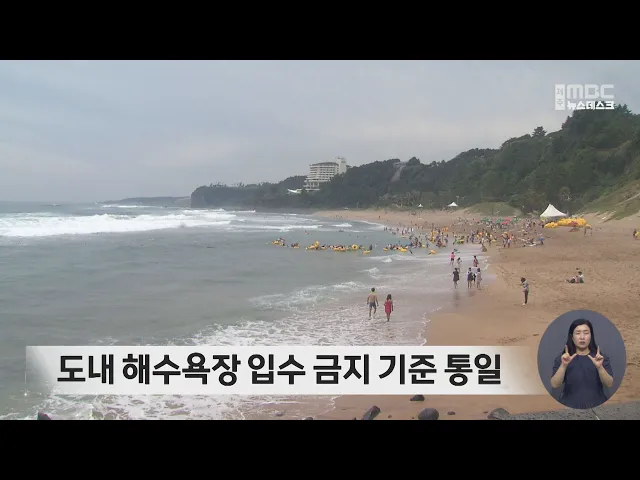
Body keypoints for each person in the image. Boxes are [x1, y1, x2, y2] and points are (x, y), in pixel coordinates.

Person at [550, 319, 614, 409]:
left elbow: (609, 383)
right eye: (578, 333)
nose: (582, 337)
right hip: (568, 407)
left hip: (597, 406)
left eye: (586, 333)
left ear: (591, 336)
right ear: (572, 337)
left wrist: (600, 367)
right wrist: (563, 365)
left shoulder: (600, 357)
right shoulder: (563, 358)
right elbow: (554, 384)